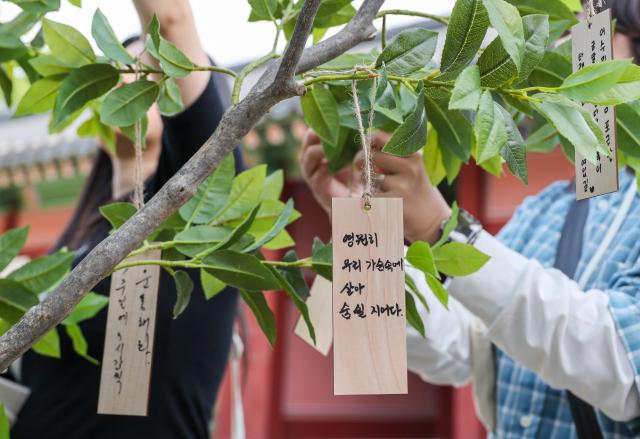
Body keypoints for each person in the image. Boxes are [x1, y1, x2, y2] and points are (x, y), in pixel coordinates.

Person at [299, 2, 640, 436]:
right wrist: (363, 225)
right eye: (564, 35)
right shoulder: (546, 209)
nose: (566, 53)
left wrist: (443, 230)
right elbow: (460, 348)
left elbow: (621, 364)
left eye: (593, 35)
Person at [11, 1, 242, 438]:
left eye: (148, 68)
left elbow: (172, 19)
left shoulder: (205, 216)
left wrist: (163, 32)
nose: (128, 79)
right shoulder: (73, 243)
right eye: (116, 67)